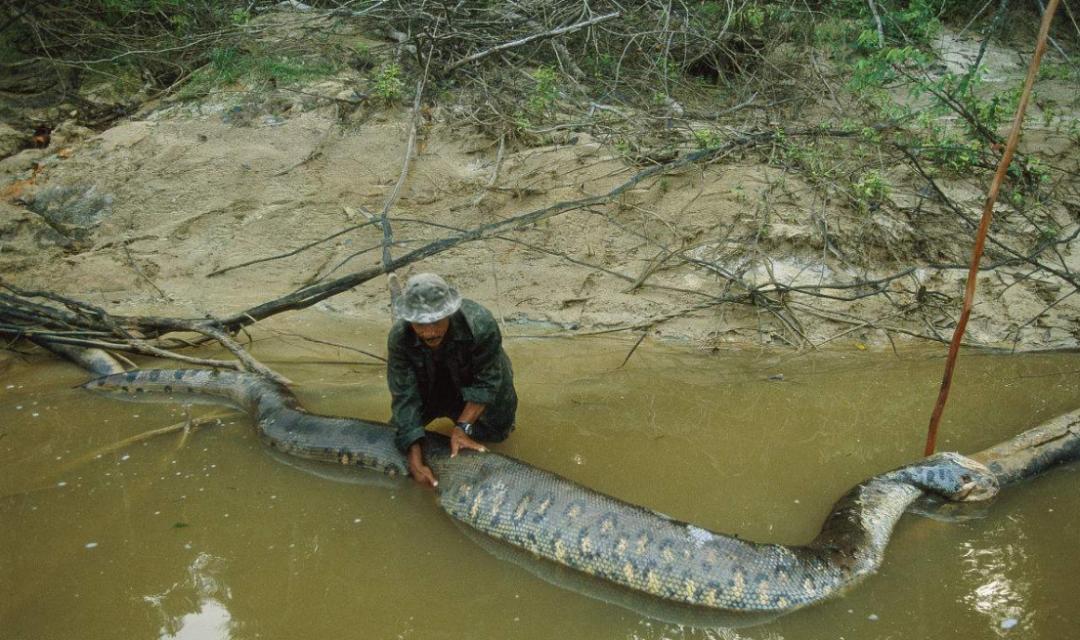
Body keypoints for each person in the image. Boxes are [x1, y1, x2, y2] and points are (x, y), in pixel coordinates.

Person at [386, 273, 518, 488]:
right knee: (398, 437)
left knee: (497, 434)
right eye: (420, 324)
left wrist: (462, 427)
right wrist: (414, 458)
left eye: (437, 321)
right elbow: (404, 396)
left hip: (473, 382)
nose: (430, 332)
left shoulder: (480, 324)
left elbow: (487, 382)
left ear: (449, 312)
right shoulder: (399, 338)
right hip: (429, 387)